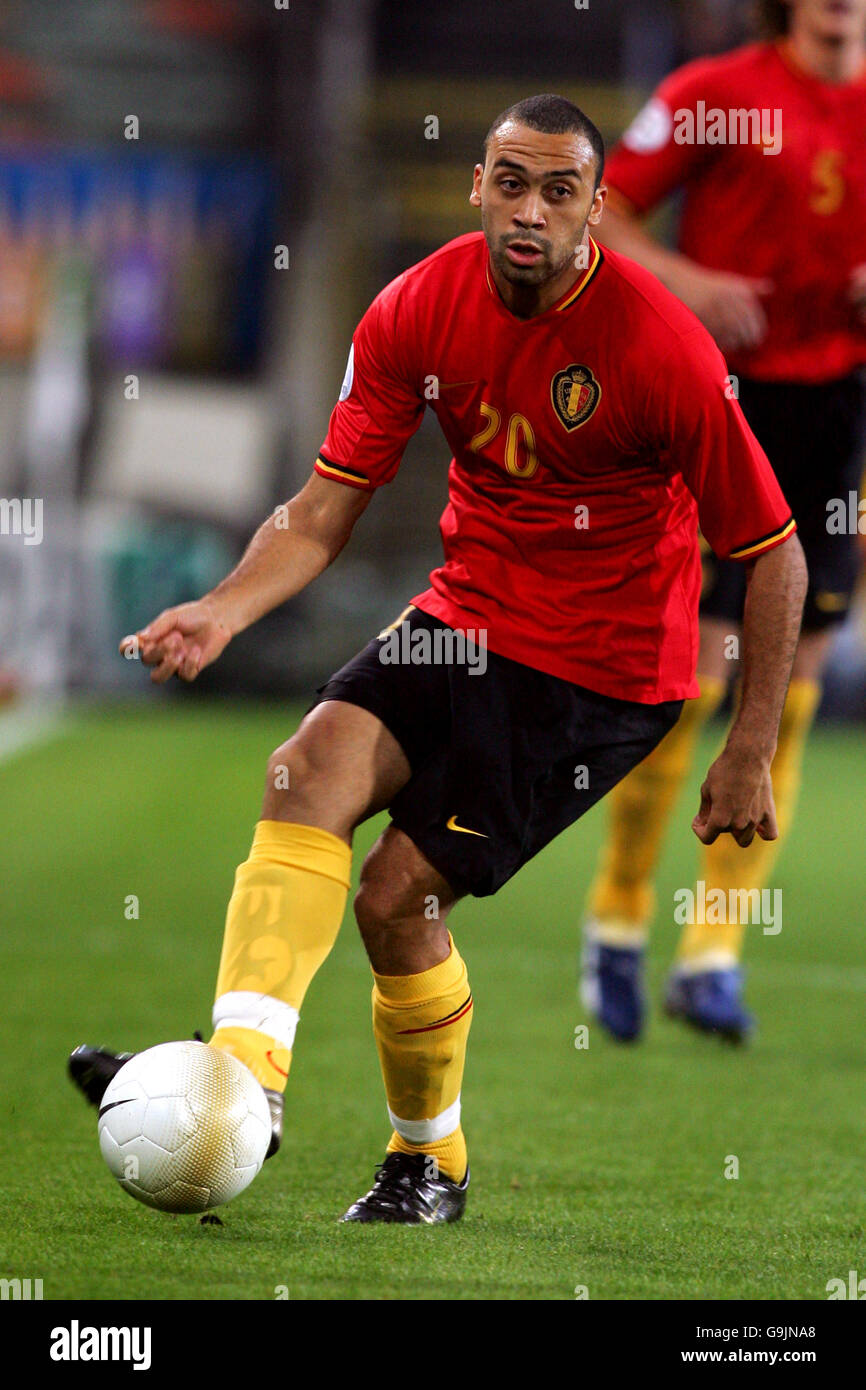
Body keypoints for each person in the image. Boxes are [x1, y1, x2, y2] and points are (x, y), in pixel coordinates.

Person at [68, 93, 806, 1224]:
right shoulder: (416, 306)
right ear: (474, 186)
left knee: (394, 899)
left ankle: (431, 1161)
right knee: (303, 771)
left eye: (559, 190)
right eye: (509, 181)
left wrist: (748, 742)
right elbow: (321, 512)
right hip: (461, 615)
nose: (529, 209)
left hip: (596, 670)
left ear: (596, 210)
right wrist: (221, 609)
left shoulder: (658, 346)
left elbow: (772, 552)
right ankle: (247, 1084)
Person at [581, 0, 866, 1042]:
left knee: (788, 685)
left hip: (835, 409)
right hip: (720, 399)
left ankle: (710, 952)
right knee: (694, 676)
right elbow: (599, 209)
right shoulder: (714, 96)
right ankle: (614, 918)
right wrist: (686, 280)